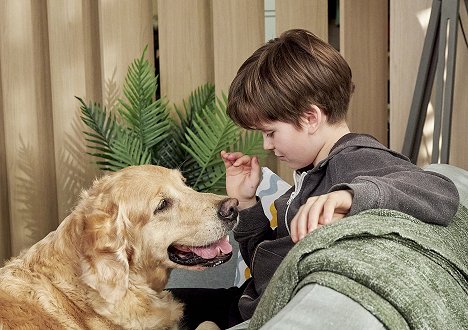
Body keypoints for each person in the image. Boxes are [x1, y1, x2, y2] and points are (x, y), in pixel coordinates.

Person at [171, 28, 459, 329]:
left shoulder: (355, 158)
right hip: (248, 300)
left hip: (260, 313)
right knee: (156, 304)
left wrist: (349, 196)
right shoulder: (311, 173)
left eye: (271, 133)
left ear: (310, 118)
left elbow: (440, 191)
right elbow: (267, 264)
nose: (267, 145)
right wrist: (246, 203)